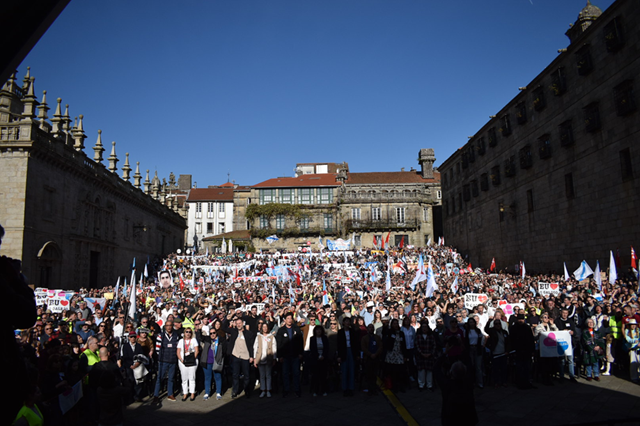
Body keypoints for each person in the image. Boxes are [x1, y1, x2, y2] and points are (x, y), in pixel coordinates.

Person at [434, 358, 478, 426]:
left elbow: (436, 368)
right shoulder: (468, 382)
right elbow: (470, 365)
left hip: (450, 420)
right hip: (468, 419)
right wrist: (464, 350)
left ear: (451, 372)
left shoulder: (446, 385)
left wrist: (445, 353)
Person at [276, 311, 304, 397]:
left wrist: (300, 353)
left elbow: (300, 342)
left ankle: (297, 389)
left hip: (295, 355)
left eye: (290, 318)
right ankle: (286, 389)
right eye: (287, 318)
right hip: (285, 356)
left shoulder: (296, 329)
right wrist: (280, 356)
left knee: (296, 373)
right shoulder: (281, 330)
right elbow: (279, 344)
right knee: (285, 373)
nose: (289, 320)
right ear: (284, 320)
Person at [226, 317, 255, 399]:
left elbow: (251, 346)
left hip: (245, 356)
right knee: (235, 375)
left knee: (246, 375)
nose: (238, 325)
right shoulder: (233, 331)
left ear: (243, 323)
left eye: (240, 323)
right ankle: (235, 391)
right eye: (237, 323)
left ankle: (247, 390)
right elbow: (224, 328)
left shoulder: (248, 333)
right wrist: (228, 319)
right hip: (236, 355)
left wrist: (251, 356)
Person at [153, 320, 180, 403]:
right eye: (167, 325)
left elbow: (178, 348)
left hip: (172, 360)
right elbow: (157, 349)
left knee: (171, 378)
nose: (169, 327)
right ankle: (156, 395)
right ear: (165, 327)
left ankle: (170, 394)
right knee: (160, 378)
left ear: (172, 326)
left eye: (170, 325)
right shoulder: (160, 336)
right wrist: (161, 357)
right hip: (163, 361)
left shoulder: (176, 336)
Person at [509, 313, 536, 389]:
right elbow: (511, 340)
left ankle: (527, 382)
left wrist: (532, 350)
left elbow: (531, 339)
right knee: (519, 368)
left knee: (527, 368)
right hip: (518, 351)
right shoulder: (513, 328)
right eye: (519, 319)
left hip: (527, 351)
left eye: (522, 319)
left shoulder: (527, 328)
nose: (521, 321)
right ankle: (520, 383)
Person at [200, 327, 226, 400]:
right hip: (207, 362)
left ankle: (218, 392)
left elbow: (224, 350)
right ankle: (207, 392)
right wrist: (199, 329)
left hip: (217, 362)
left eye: (214, 333)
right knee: (207, 378)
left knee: (218, 377)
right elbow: (200, 337)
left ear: (216, 333)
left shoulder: (221, 340)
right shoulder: (207, 339)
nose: (212, 335)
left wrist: (221, 357)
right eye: (211, 333)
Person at [118, 331, 144, 402]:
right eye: (131, 337)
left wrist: (137, 364)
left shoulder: (138, 346)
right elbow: (125, 357)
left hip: (137, 366)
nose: (133, 338)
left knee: (138, 381)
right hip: (128, 366)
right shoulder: (125, 346)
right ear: (129, 338)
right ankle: (130, 396)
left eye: (134, 337)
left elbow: (141, 355)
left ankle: (137, 396)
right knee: (130, 381)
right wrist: (130, 365)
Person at [337, 316, 360, 396]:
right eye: (346, 321)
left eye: (348, 321)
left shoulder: (352, 331)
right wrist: (339, 356)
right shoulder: (340, 332)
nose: (347, 323)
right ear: (343, 323)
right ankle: (344, 388)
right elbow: (339, 345)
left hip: (351, 351)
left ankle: (351, 388)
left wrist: (357, 354)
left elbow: (356, 343)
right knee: (344, 370)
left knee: (351, 370)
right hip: (344, 351)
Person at [253, 322, 277, 398]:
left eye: (266, 327)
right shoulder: (258, 337)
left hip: (268, 358)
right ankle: (263, 390)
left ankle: (268, 390)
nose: (265, 328)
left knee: (268, 375)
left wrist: (274, 358)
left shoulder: (271, 337)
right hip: (260, 358)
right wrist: (255, 358)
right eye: (263, 327)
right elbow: (255, 347)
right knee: (262, 376)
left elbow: (274, 348)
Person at [534, 312, 558, 386]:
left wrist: (552, 324)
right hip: (542, 348)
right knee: (543, 364)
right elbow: (536, 336)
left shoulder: (550, 326)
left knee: (550, 364)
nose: (546, 319)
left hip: (550, 348)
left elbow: (557, 332)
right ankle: (544, 379)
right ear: (541, 318)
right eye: (545, 317)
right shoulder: (539, 327)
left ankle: (549, 378)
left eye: (547, 317)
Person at [555, 308, 577, 382]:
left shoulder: (570, 321)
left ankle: (572, 376)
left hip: (570, 343)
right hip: (561, 344)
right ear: (561, 313)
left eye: (566, 313)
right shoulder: (557, 321)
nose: (565, 314)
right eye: (563, 313)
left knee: (571, 360)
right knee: (562, 360)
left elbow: (575, 332)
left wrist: (572, 332)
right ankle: (561, 376)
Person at [177, 327, 199, 401]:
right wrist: (181, 360)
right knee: (184, 378)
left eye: (189, 332)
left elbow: (196, 350)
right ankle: (185, 393)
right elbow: (178, 352)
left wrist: (192, 359)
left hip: (192, 361)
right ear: (184, 333)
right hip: (183, 362)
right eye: (187, 332)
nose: (188, 333)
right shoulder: (181, 341)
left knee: (192, 377)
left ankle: (192, 393)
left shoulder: (194, 340)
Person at [485, 318, 509, 387]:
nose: (498, 325)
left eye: (499, 324)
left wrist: (507, 350)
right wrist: (489, 322)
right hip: (495, 353)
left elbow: (508, 342)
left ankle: (504, 381)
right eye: (496, 324)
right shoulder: (492, 332)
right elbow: (486, 330)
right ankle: (496, 382)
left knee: (504, 369)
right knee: (495, 369)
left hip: (503, 353)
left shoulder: (504, 332)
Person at [416, 320, 437, 391]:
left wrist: (430, 353)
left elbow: (434, 345)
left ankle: (429, 385)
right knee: (421, 371)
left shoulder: (431, 336)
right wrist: (421, 353)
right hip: (421, 356)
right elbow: (417, 346)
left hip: (429, 355)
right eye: (423, 327)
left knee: (429, 371)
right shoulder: (418, 336)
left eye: (426, 327)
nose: (424, 329)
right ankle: (421, 385)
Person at [309, 324, 329, 396]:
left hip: (323, 359)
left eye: (320, 330)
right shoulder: (312, 339)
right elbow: (312, 349)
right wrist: (318, 356)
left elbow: (326, 348)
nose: (319, 331)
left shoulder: (325, 338)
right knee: (315, 375)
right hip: (315, 359)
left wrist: (323, 356)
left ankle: (323, 390)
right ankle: (316, 390)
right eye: (317, 330)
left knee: (323, 375)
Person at [464, 317, 485, 388]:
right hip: (470, 348)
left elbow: (481, 338)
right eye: (470, 322)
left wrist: (481, 347)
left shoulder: (478, 331)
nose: (471, 324)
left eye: (472, 322)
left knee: (478, 366)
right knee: (470, 366)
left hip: (477, 348)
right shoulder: (466, 331)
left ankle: (480, 382)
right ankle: (471, 382)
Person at [624, 318, 640, 383]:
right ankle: (634, 377)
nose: (633, 326)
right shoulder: (627, 331)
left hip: (638, 349)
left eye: (634, 325)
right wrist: (634, 341)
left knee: (638, 363)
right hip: (632, 349)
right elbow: (628, 339)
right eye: (632, 325)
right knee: (633, 364)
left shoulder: (638, 330)